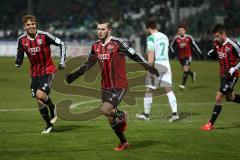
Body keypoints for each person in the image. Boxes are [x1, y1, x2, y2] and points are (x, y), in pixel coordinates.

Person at [65, 19, 159, 151]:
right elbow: (88, 64)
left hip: (119, 84)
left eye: (102, 29)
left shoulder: (118, 43)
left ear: (109, 30)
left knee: (105, 110)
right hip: (105, 86)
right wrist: (74, 75)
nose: (99, 32)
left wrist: (150, 68)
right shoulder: (95, 46)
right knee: (110, 117)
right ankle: (124, 142)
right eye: (98, 29)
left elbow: (135, 56)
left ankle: (121, 115)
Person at [15, 15, 66, 134]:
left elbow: (61, 43)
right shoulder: (21, 40)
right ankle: (48, 124)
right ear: (24, 27)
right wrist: (18, 62)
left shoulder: (44, 36)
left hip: (48, 71)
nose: (31, 26)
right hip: (34, 74)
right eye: (28, 25)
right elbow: (20, 55)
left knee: (40, 94)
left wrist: (62, 61)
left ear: (35, 24)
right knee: (39, 100)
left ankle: (52, 107)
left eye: (32, 24)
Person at [136, 21, 178, 122]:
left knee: (149, 89)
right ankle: (175, 114)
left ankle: (146, 115)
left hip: (157, 66)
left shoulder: (151, 38)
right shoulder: (164, 36)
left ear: (148, 28)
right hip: (166, 64)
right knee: (168, 89)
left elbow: (151, 58)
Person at [200, 24, 240, 131]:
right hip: (222, 75)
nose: (215, 38)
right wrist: (211, 53)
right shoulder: (217, 43)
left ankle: (210, 124)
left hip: (232, 76)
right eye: (215, 36)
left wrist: (233, 69)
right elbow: (216, 53)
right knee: (230, 97)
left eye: (217, 36)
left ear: (223, 34)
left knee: (218, 96)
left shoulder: (233, 45)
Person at [170, 26, 202, 90]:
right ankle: (192, 74)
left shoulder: (189, 37)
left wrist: (199, 52)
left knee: (185, 69)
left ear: (185, 31)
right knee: (185, 69)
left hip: (188, 56)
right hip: (180, 57)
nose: (181, 31)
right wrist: (174, 53)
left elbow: (194, 45)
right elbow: (171, 46)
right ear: (178, 32)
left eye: (182, 30)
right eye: (179, 30)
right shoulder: (176, 38)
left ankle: (183, 84)